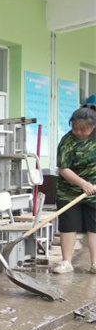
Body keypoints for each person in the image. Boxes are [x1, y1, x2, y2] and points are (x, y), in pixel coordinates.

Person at [52, 104, 96, 274]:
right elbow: (63, 168)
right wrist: (82, 184)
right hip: (69, 190)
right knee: (68, 225)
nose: (78, 132)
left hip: (94, 191)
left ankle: (95, 263)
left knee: (94, 227)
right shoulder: (67, 141)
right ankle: (66, 262)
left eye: (83, 129)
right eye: (75, 128)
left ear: (93, 126)